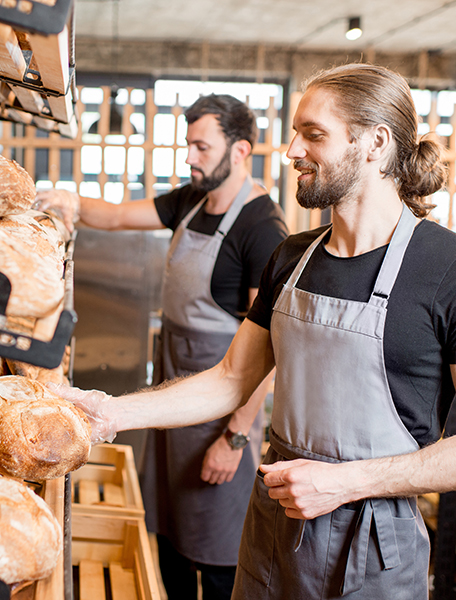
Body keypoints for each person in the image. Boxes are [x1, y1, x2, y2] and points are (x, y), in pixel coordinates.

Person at [49, 62, 456, 600]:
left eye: (313, 135)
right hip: (273, 528)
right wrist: (113, 413)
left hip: (375, 548)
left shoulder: (444, 267)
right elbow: (232, 378)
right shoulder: (292, 257)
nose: (290, 151)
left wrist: (344, 483)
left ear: (375, 143)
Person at [36, 94, 288, 600]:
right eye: (188, 144)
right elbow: (116, 217)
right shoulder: (191, 200)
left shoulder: (263, 228)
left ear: (240, 150)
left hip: (221, 410)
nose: (190, 157)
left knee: (215, 550)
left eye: (201, 146)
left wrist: (234, 439)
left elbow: (269, 355)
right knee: (170, 535)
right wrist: (70, 203)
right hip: (174, 391)